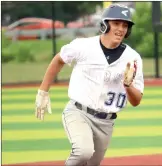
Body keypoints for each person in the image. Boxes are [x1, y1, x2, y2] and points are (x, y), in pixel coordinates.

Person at [35, 4, 144, 166]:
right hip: (78, 112)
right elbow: (59, 59)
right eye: (116, 23)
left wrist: (128, 86)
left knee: (92, 163)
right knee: (82, 152)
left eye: (125, 25)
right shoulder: (83, 46)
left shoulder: (133, 58)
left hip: (106, 122)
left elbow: (136, 101)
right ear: (105, 25)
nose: (121, 29)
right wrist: (43, 91)